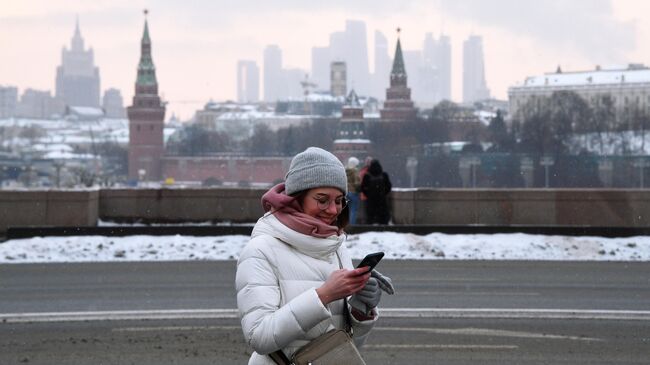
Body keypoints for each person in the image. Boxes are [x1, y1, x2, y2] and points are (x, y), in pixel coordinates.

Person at [236, 147, 394, 364]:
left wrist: (361, 308)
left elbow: (344, 346)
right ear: (296, 198)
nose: (332, 210)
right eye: (322, 199)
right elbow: (259, 337)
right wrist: (324, 295)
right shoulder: (261, 250)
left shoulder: (335, 245)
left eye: (339, 200)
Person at [360, 159, 393, 225]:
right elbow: (389, 186)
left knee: (371, 213)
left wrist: (368, 194)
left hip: (371, 199)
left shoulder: (367, 176)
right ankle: (383, 224)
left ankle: (371, 224)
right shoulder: (384, 175)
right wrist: (384, 193)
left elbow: (363, 187)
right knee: (382, 212)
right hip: (382, 198)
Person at [345, 156, 361, 225]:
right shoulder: (355, 171)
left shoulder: (345, 171)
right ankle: (352, 225)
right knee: (353, 210)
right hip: (353, 192)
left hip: (346, 192)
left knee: (346, 210)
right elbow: (357, 183)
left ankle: (345, 224)